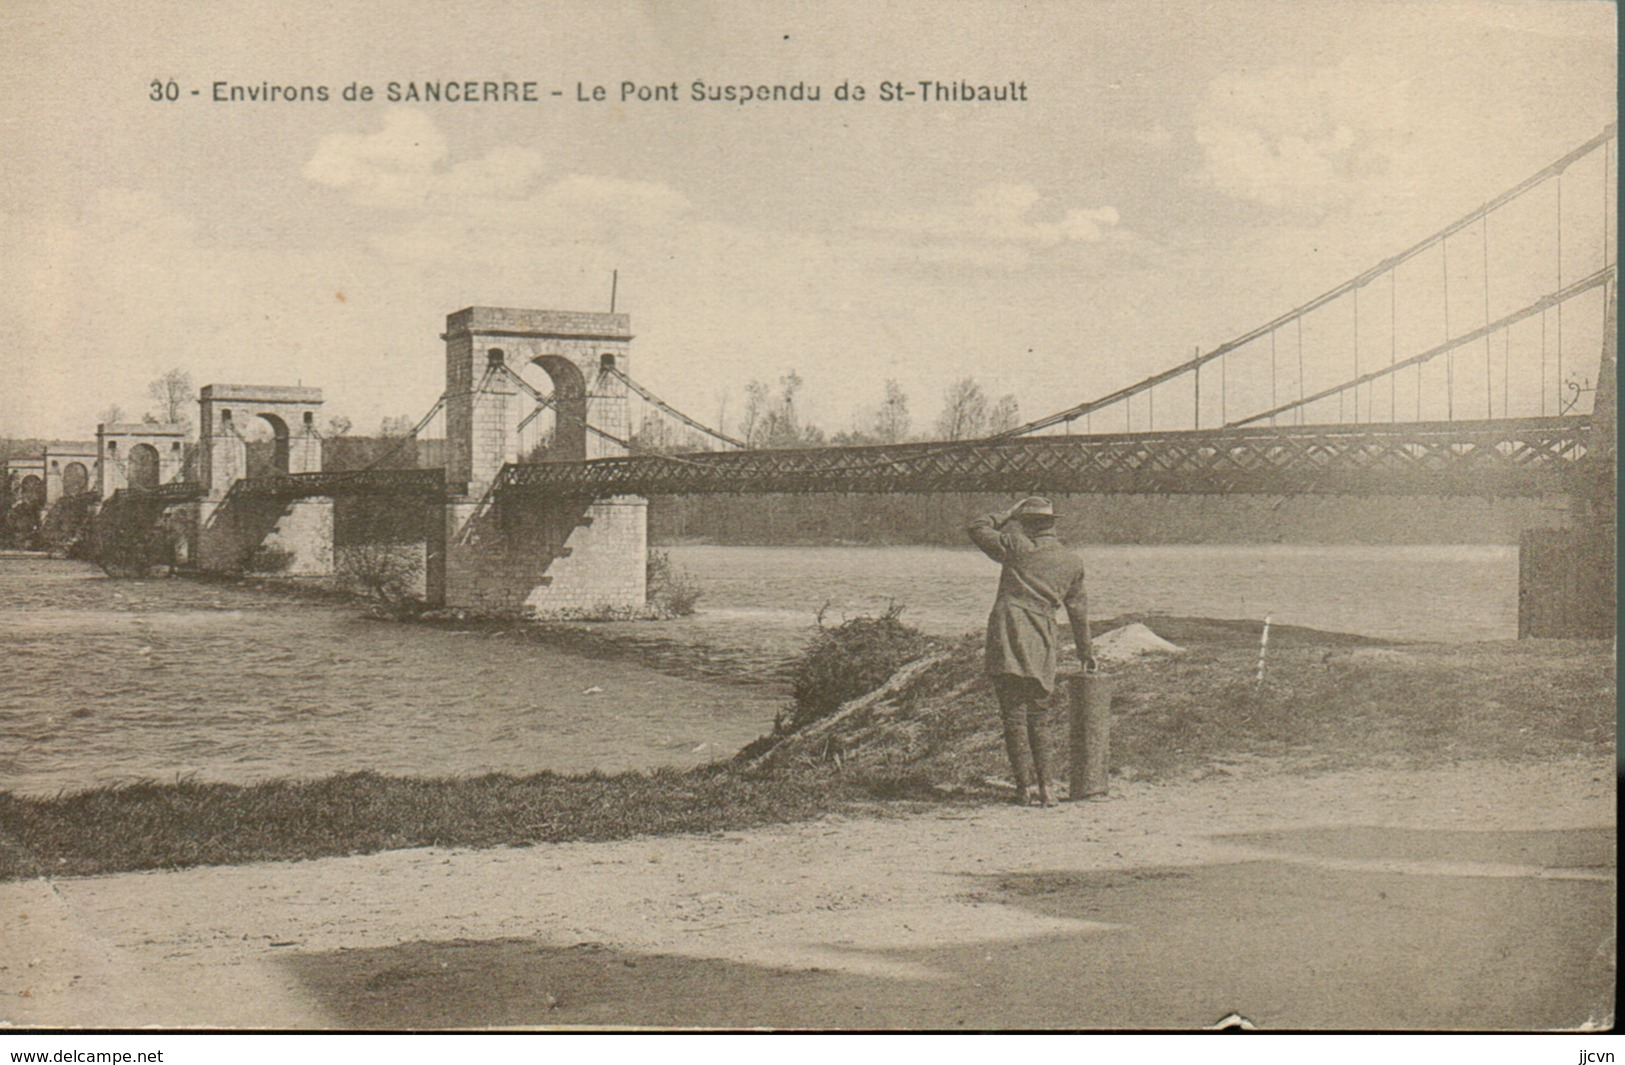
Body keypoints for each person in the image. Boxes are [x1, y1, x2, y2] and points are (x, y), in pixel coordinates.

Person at [967, 496, 1093, 806]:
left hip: (1008, 631)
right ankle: (1048, 789)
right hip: (1042, 636)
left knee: (1013, 716)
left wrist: (1007, 513)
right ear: (1052, 524)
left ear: (1027, 524)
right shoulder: (1072, 561)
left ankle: (1023, 789)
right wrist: (1084, 651)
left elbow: (977, 526)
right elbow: (1078, 612)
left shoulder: (1014, 546)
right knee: (1039, 715)